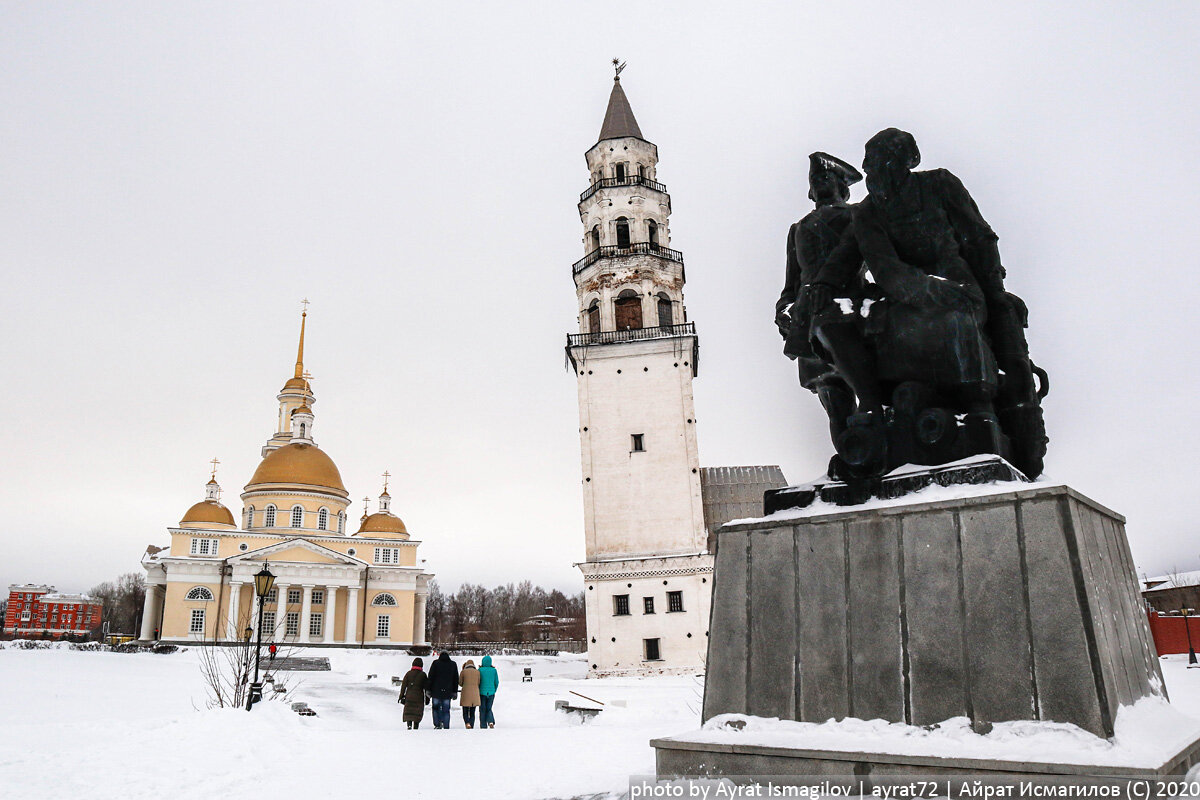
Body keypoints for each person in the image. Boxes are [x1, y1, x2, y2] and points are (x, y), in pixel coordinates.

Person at [775, 151, 866, 442]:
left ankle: (874, 441)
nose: (820, 182)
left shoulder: (858, 215)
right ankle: (849, 452)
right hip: (808, 314)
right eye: (815, 179)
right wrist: (785, 307)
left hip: (850, 304)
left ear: (842, 186)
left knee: (866, 381)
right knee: (829, 389)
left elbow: (874, 259)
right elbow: (793, 279)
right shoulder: (798, 228)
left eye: (826, 177)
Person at [426, 651, 459, 729]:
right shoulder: (453, 664)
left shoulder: (435, 663)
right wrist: (455, 691)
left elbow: (430, 677)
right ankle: (446, 725)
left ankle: (437, 724)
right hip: (448, 691)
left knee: (435, 708)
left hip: (436, 691)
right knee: (446, 710)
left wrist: (428, 689)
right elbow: (456, 679)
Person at [398, 657, 429, 730]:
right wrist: (427, 698)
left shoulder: (408, 673)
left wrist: (401, 696)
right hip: (419, 697)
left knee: (409, 711)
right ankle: (416, 726)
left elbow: (403, 686)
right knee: (417, 711)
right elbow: (426, 688)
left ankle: (409, 725)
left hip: (409, 696)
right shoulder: (423, 675)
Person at [478, 654, 499, 729]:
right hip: (491, 693)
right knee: (489, 708)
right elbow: (496, 682)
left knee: (482, 709)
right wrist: (494, 690)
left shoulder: (480, 670)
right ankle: (490, 721)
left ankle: (483, 725)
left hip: (481, 693)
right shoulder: (494, 670)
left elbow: (478, 681)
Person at [458, 659, 481, 729]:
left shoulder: (463, 672)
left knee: (465, 710)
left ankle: (467, 723)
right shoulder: (477, 672)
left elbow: (460, 682)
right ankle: (472, 725)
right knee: (472, 712)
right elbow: (479, 682)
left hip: (465, 693)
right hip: (475, 693)